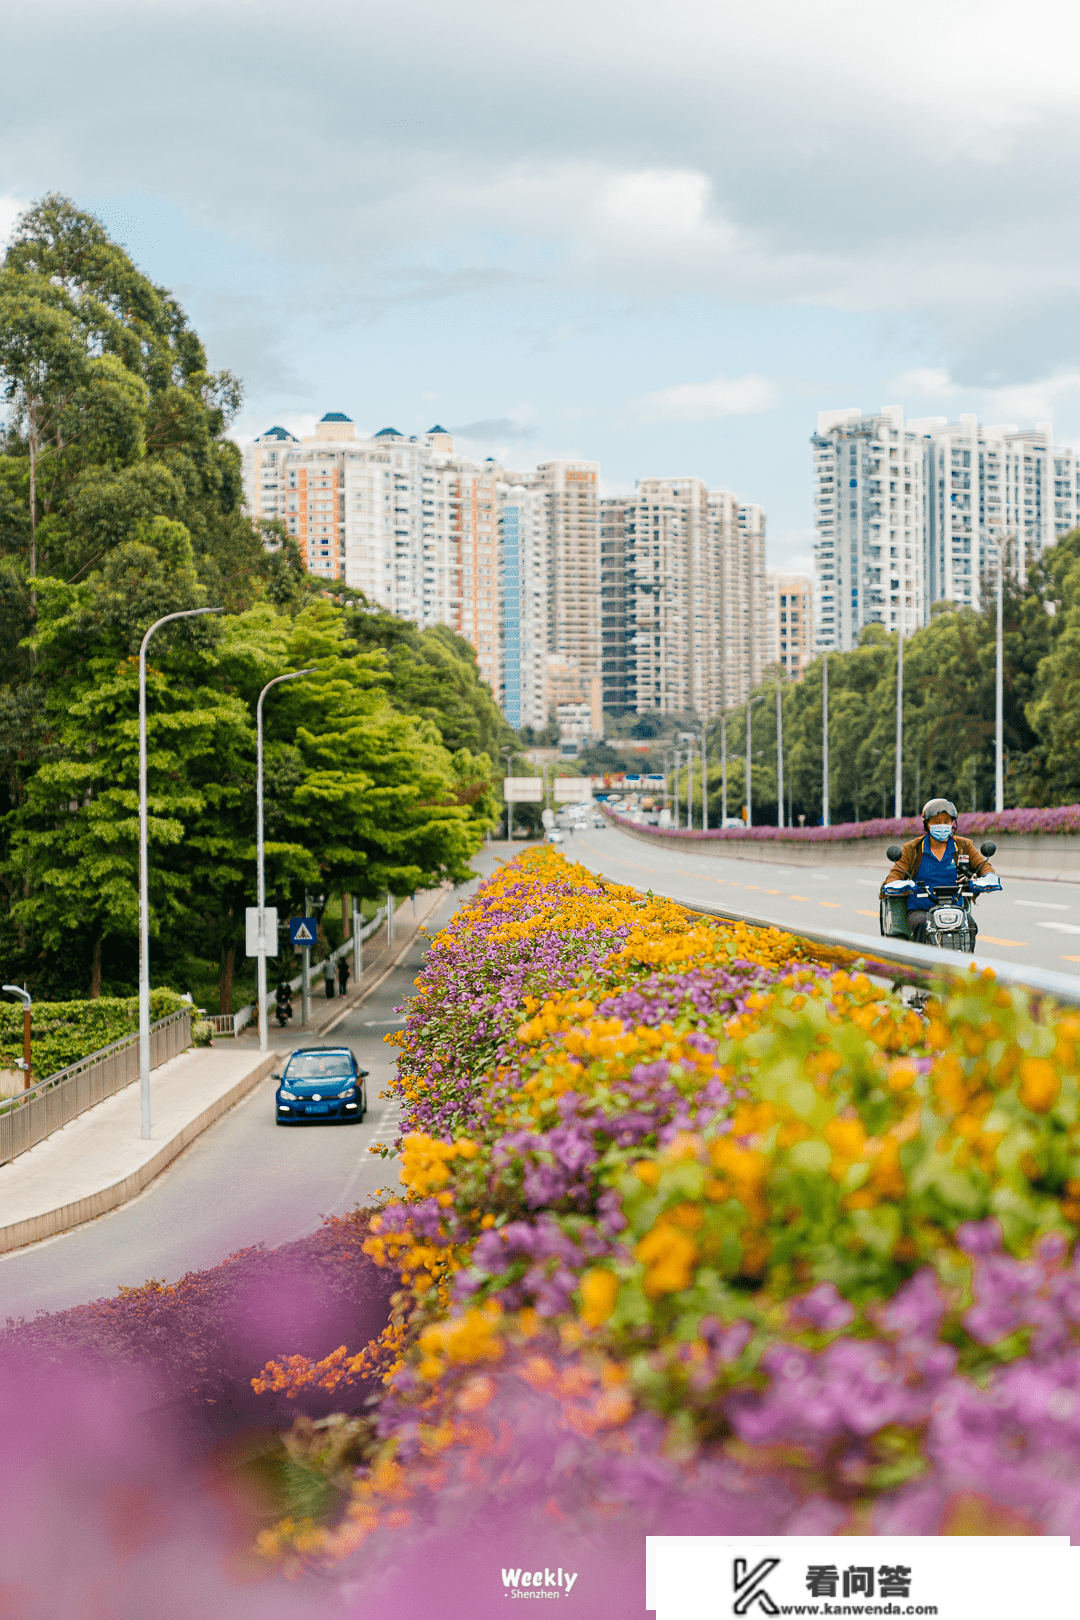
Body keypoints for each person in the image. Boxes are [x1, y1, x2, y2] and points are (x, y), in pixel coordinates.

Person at [881, 798, 997, 944]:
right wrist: (900, 884)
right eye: (936, 821)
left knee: (970, 925)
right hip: (921, 909)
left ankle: (964, 964)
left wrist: (988, 877)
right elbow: (895, 875)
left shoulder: (963, 846)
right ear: (927, 824)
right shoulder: (912, 849)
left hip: (954, 906)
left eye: (947, 821)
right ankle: (921, 964)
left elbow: (983, 865)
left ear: (952, 823)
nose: (942, 825)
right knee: (921, 924)